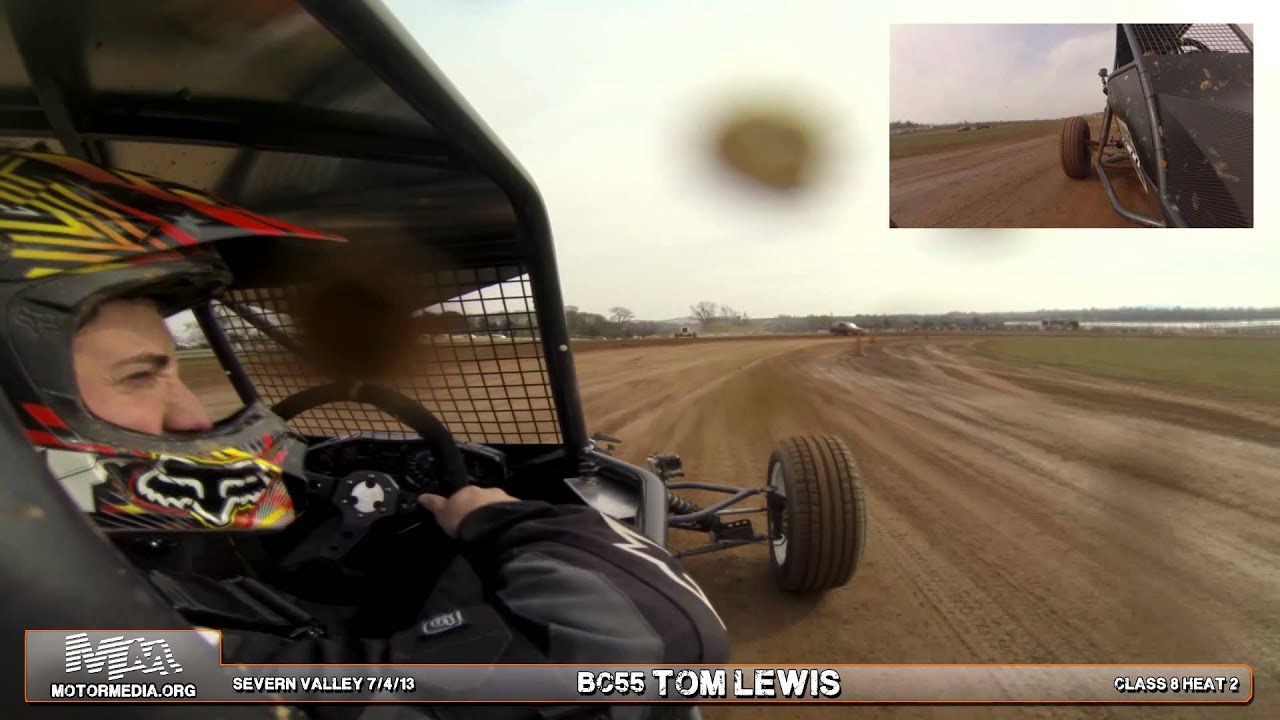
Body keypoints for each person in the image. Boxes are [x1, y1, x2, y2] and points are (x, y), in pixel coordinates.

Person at [1, 150, 728, 720]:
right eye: (138, 375)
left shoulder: (70, 606)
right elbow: (649, 642)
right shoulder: (78, 654)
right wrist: (504, 520)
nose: (192, 416)